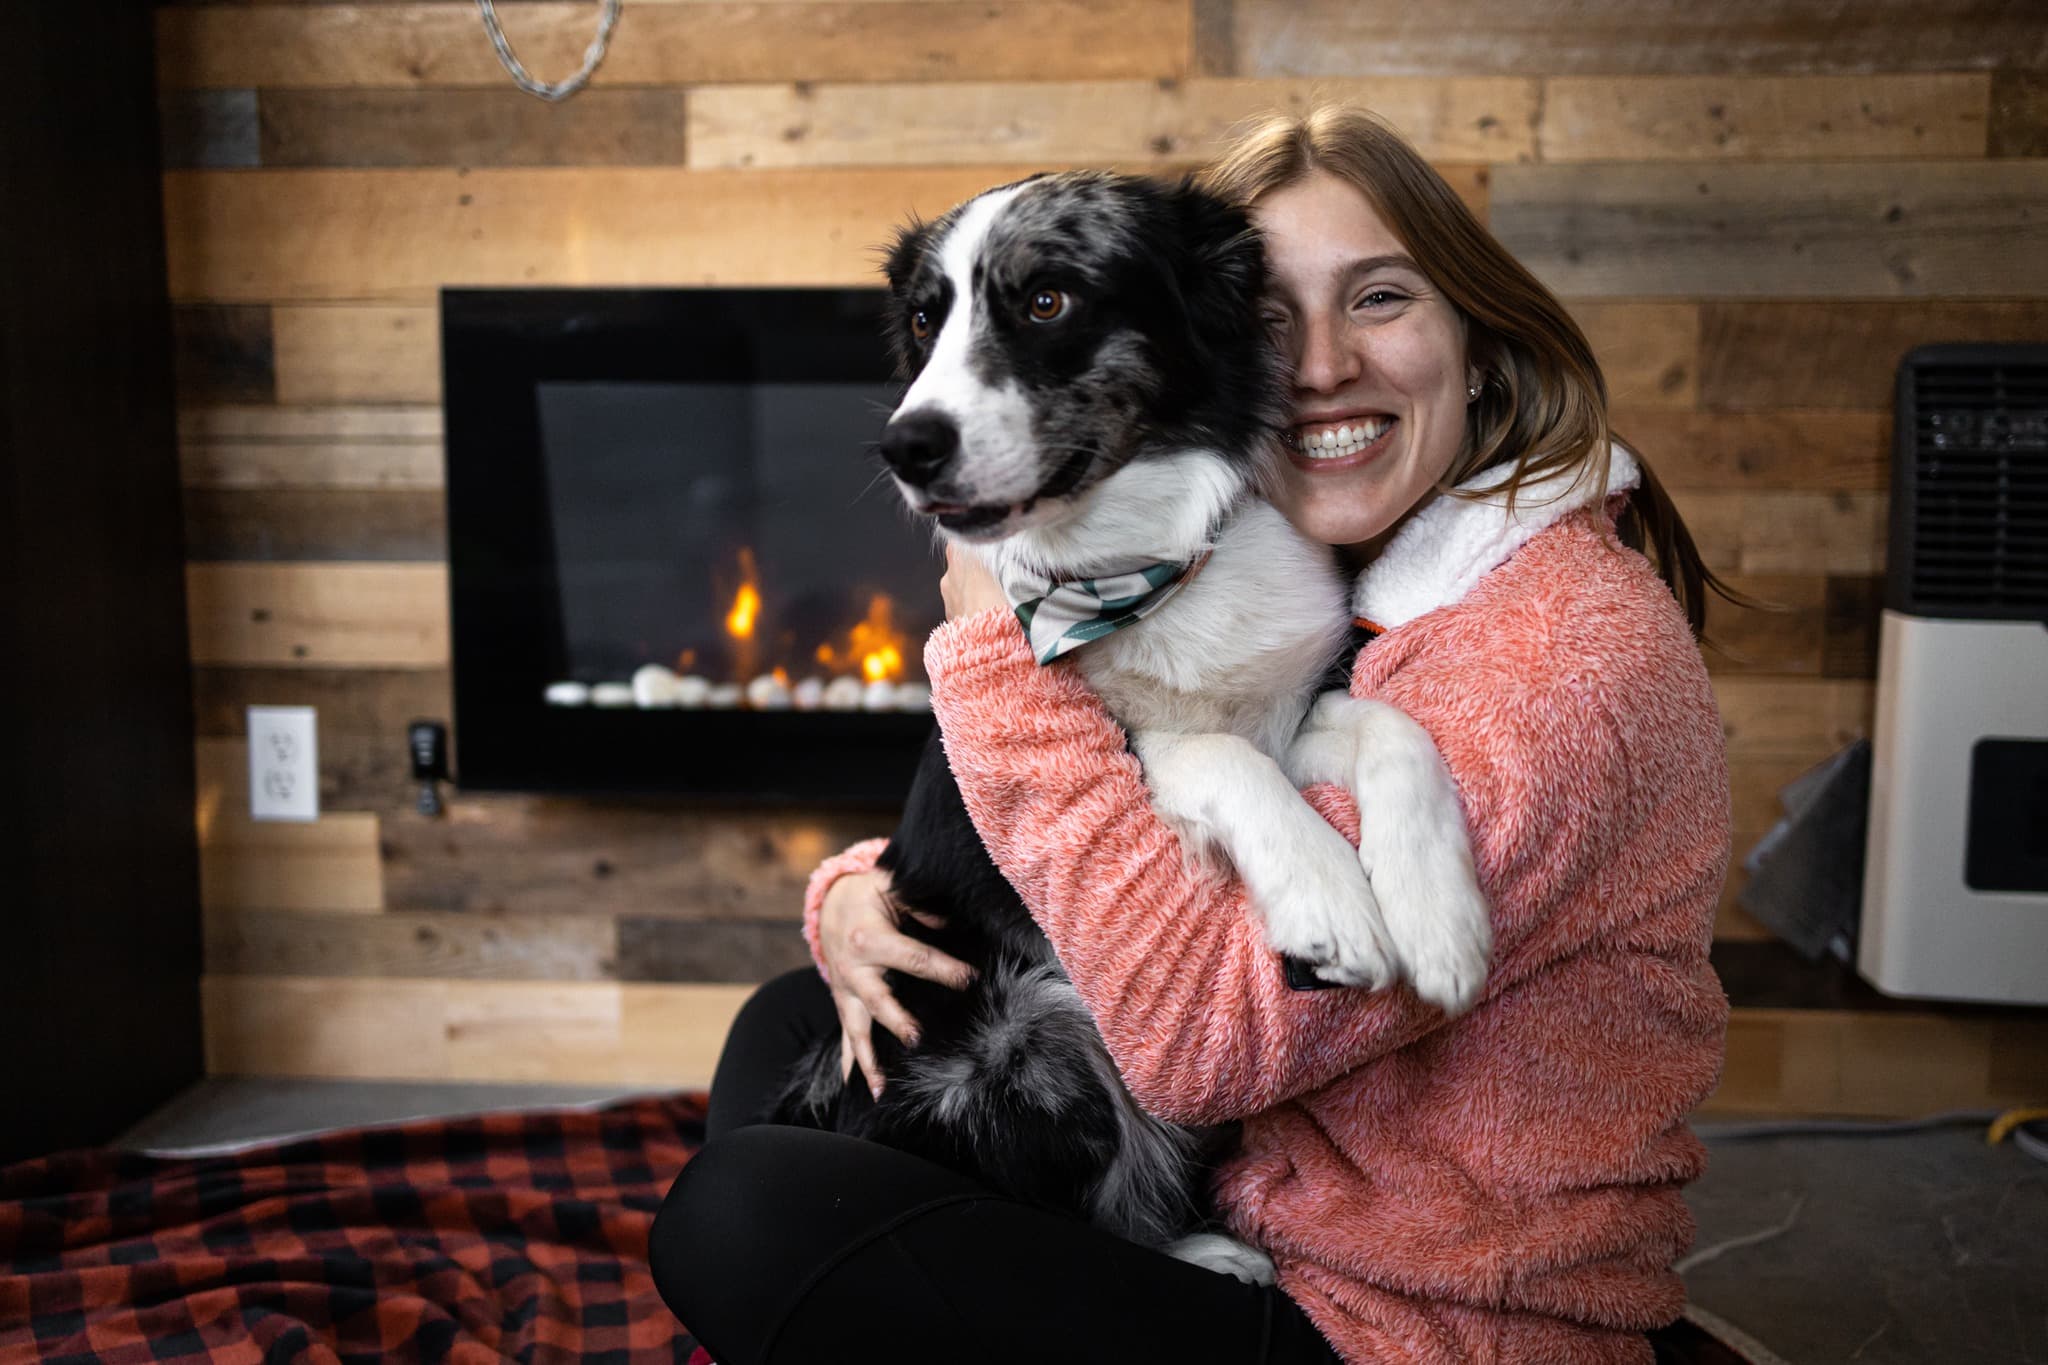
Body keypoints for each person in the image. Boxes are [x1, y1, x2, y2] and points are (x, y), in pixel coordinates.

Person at [650, 105, 1733, 1365]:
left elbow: (1199, 1036)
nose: (1316, 366)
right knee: (797, 1019)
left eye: (1378, 299)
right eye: (1276, 318)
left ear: (1479, 334)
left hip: (1402, 1321)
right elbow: (1145, 790)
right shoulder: (1368, 547)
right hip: (1253, 1192)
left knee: (737, 1219)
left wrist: (993, 654)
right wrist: (855, 899)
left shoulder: (1557, 654)